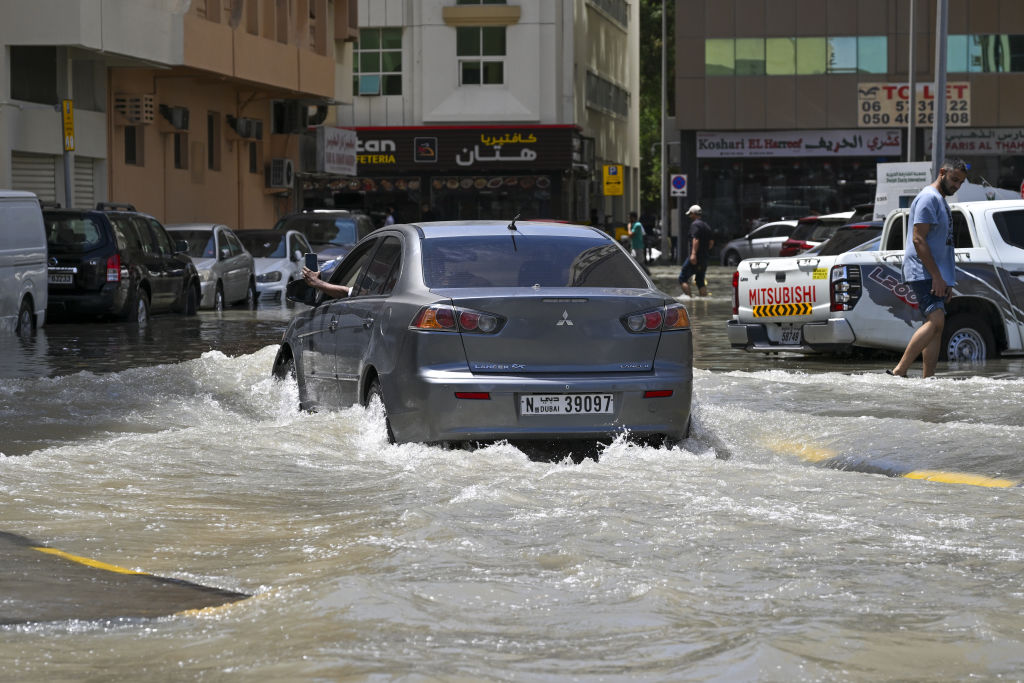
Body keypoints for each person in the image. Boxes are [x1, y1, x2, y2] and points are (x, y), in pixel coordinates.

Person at [888, 159, 968, 378]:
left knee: (937, 325)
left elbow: (944, 244)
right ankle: (900, 370)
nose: (957, 186)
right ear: (942, 172)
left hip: (936, 275)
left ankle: (928, 377)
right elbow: (918, 239)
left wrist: (946, 280)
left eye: (960, 182)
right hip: (924, 272)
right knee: (936, 321)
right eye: (954, 180)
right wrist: (936, 276)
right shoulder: (928, 198)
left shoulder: (939, 200)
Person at [678, 205, 714, 297]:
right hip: (704, 257)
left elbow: (696, 239)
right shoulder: (706, 226)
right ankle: (703, 299)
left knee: (682, 278)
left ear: (694, 214)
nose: (689, 216)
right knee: (700, 281)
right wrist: (704, 251)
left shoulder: (695, 225)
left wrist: (693, 254)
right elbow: (711, 243)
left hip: (696, 257)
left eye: (690, 214)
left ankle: (689, 299)